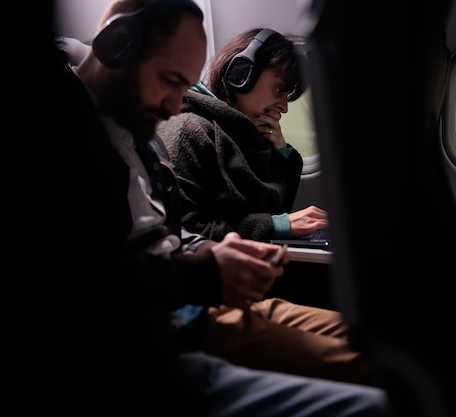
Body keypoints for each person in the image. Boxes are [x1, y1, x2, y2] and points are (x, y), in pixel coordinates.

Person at [53, 0, 389, 416]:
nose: (175, 107)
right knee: (380, 378)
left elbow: (172, 232)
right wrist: (207, 268)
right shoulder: (105, 132)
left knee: (387, 343)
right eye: (170, 80)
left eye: (185, 86)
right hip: (181, 314)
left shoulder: (142, 136)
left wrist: (208, 252)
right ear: (118, 45)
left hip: (194, 297)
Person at [155, 28, 379, 386]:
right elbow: (189, 229)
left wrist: (280, 153)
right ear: (239, 76)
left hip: (246, 294)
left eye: (289, 95)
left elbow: (265, 203)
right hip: (211, 297)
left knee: (386, 341)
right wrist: (278, 226)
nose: (285, 105)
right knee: (376, 365)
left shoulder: (235, 134)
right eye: (279, 89)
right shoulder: (187, 130)